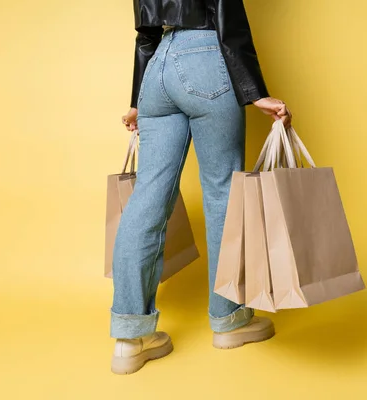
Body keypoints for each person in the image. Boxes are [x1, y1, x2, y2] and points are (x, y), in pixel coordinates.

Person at [111, 0, 292, 375]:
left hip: (157, 67)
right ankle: (229, 320)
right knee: (223, 192)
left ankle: (130, 338)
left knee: (147, 196)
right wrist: (254, 90)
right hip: (207, 57)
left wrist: (136, 102)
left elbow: (145, 33)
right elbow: (227, 14)